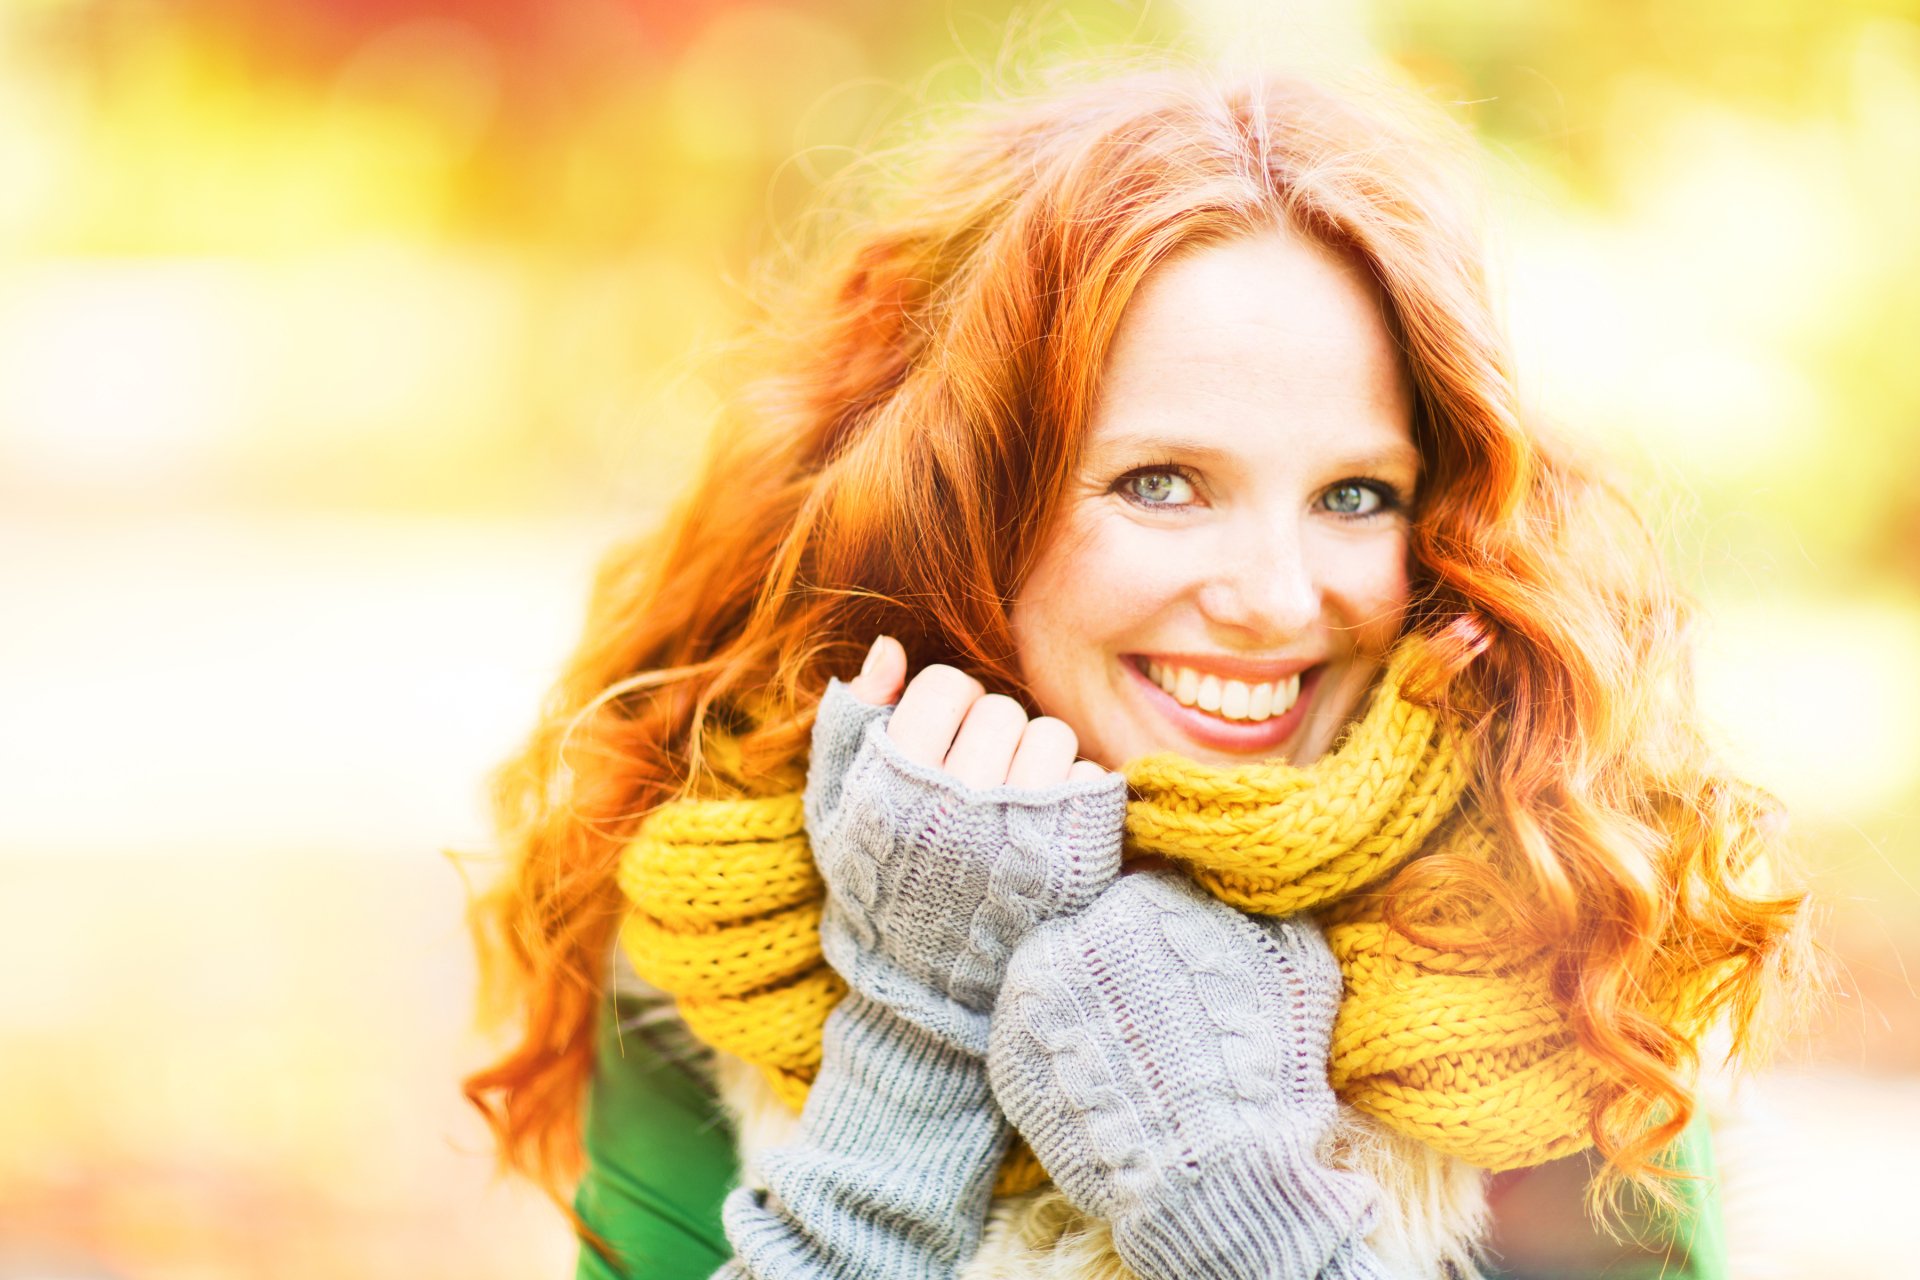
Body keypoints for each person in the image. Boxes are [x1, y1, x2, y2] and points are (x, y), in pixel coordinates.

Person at [464, 61, 1811, 1280]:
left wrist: (1248, 1218)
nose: (1279, 597)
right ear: (962, 499)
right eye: (1162, 484)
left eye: (1353, 495)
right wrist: (912, 1051)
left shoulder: (1555, 931)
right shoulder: (728, 916)